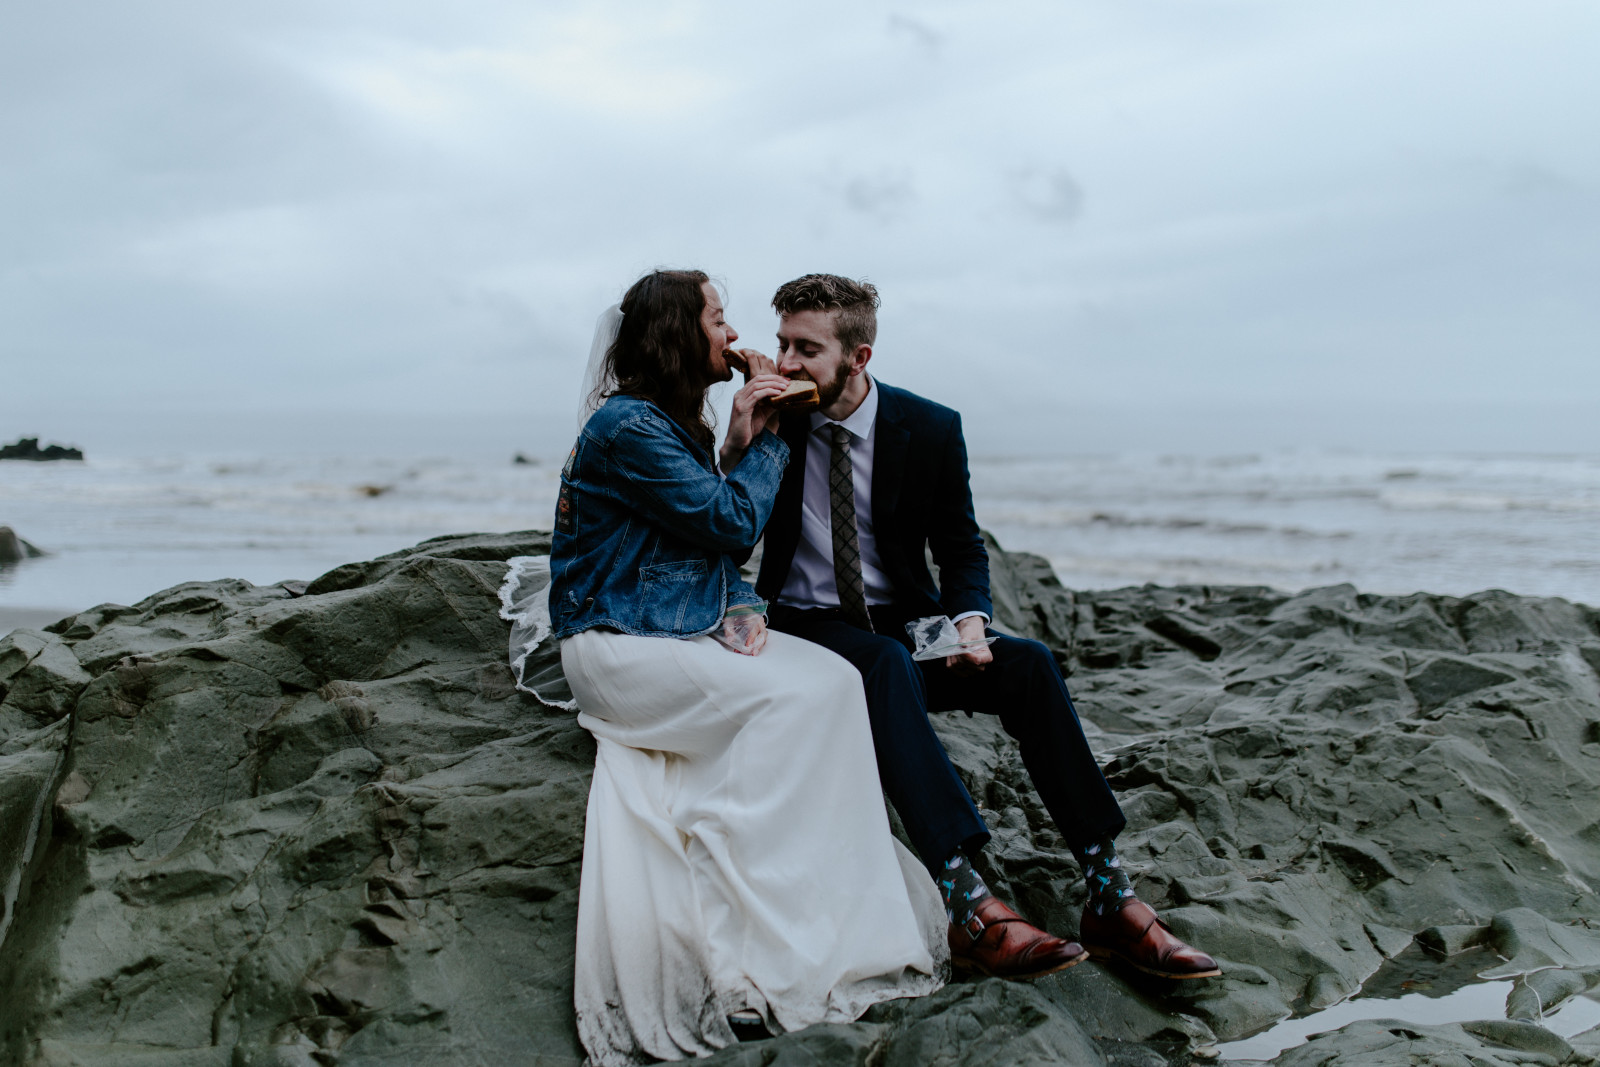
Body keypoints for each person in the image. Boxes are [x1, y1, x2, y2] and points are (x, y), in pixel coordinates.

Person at [754, 273, 1221, 982]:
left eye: (806, 349)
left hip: (910, 627)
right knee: (880, 660)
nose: (786, 362)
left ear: (859, 356)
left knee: (1027, 662)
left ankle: (1108, 891)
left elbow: (962, 546)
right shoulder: (772, 420)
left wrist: (970, 625)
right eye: (782, 343)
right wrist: (742, 434)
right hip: (810, 627)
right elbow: (725, 522)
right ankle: (965, 899)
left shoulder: (931, 427)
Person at [547, 270, 945, 1067]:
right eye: (718, 319)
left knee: (834, 681)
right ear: (676, 334)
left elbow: (704, 533)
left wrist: (744, 602)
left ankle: (814, 892)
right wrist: (762, 440)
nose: (732, 337)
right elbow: (727, 518)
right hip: (617, 643)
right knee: (785, 706)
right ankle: (744, 907)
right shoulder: (628, 427)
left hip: (675, 627)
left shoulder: (673, 421)